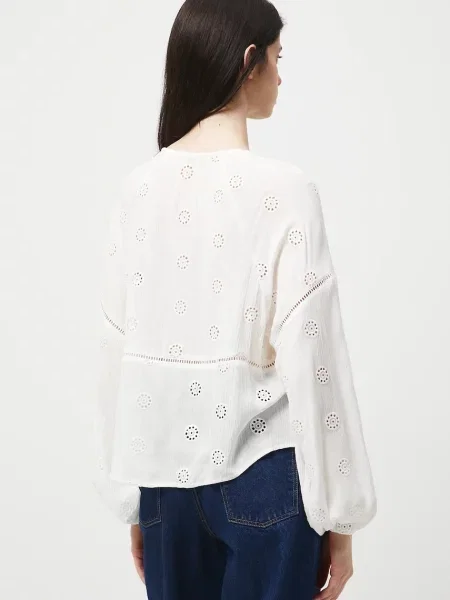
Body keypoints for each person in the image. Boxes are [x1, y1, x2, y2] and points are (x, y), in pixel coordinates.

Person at [91, 1, 377, 598]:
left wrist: (134, 501)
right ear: (249, 62)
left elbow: (116, 350)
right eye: (277, 58)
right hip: (266, 481)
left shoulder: (136, 191)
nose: (281, 76)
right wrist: (340, 517)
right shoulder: (287, 190)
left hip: (163, 486)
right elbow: (315, 359)